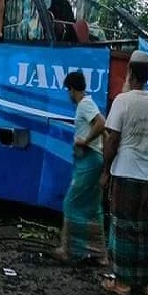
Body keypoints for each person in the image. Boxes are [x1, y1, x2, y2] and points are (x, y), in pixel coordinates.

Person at [101, 50, 148, 295]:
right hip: (146, 177)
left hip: (125, 173)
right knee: (144, 229)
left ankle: (123, 283)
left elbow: (112, 140)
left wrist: (106, 170)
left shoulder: (122, 101)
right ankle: (145, 283)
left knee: (122, 228)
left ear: (130, 72)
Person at [52, 71, 108, 265]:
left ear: (72, 89)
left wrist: (85, 141)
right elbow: (102, 129)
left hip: (90, 161)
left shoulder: (85, 104)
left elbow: (101, 123)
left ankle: (68, 250)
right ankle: (100, 253)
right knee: (92, 207)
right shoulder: (87, 104)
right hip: (92, 160)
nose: (68, 94)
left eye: (68, 90)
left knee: (71, 203)